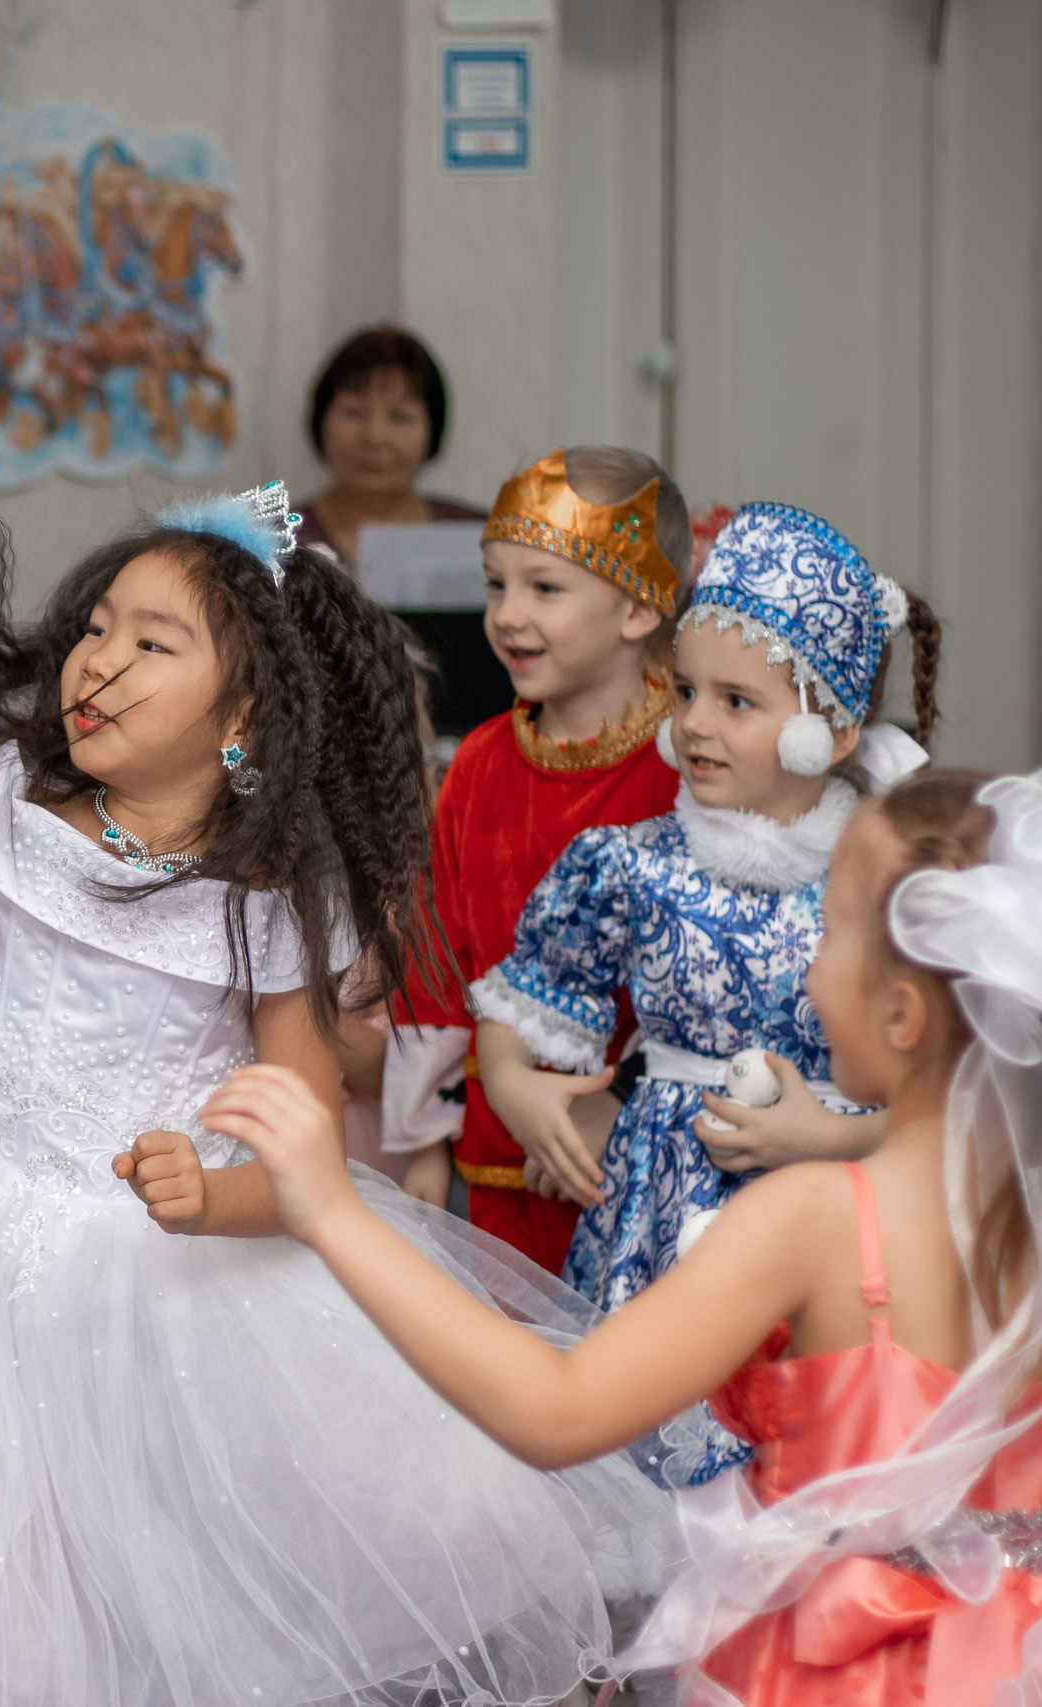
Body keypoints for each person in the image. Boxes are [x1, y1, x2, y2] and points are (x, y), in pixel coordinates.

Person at [0, 486, 676, 1707]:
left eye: (153, 642)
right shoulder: (11, 814)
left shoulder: (268, 894)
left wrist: (213, 1197)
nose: (100, 657)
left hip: (171, 1269)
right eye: (97, 626)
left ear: (241, 714)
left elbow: (302, 1166)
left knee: (232, 1564)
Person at [216, 765, 1042, 1703]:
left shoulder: (816, 1216)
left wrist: (332, 1211)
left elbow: (558, 1409)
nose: (812, 957)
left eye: (833, 926)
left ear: (901, 1013)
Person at [472, 504, 943, 1481]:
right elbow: (524, 1008)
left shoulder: (883, 882)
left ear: (834, 729)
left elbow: (958, 1104)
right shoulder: (628, 866)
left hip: (842, 1228)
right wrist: (522, 1093)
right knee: (648, 1494)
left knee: (814, 1481)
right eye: (686, 690)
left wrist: (830, 1137)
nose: (691, 723)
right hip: (653, 1237)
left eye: (738, 702)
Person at [381, 447, 694, 1267]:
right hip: (498, 1171)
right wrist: (422, 1140)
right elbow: (439, 961)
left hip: (647, 1171)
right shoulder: (479, 764)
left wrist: (620, 1105)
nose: (506, 614)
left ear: (634, 611)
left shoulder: (689, 764)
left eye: (544, 588)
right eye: (495, 584)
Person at [294, 326, 501, 736]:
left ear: (432, 431)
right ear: (321, 420)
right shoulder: (274, 537)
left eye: (401, 417)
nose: (375, 437)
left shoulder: (479, 538)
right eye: (353, 411)